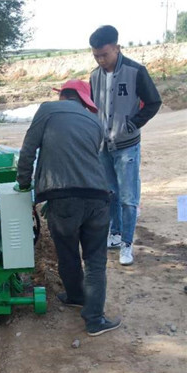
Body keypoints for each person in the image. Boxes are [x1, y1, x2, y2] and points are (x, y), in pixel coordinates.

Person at [16, 79, 121, 336]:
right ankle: (94, 318)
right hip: (98, 197)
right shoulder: (95, 121)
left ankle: (76, 295)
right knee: (95, 262)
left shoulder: (47, 110)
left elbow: (28, 150)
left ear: (63, 95)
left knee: (68, 252)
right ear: (85, 101)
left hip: (62, 199)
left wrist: (22, 185)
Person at [89, 25, 162, 265]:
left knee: (129, 198)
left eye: (105, 54)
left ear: (117, 48)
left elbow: (153, 101)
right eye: (96, 55)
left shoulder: (136, 71)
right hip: (103, 147)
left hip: (127, 146)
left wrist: (133, 124)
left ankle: (127, 245)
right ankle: (116, 233)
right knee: (110, 194)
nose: (100, 60)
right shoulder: (94, 76)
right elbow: (94, 108)